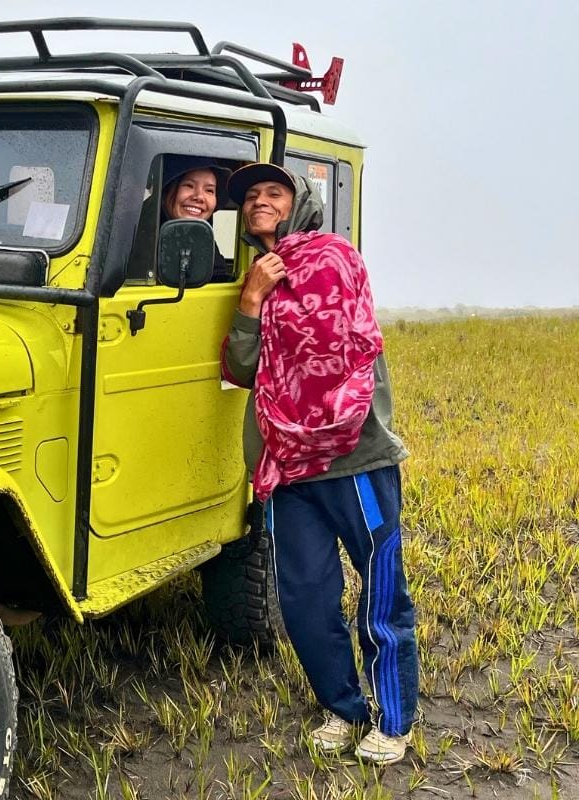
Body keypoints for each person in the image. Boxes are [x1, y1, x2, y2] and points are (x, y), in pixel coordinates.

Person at [220, 162, 419, 765]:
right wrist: (252, 299)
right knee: (305, 598)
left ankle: (394, 719)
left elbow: (344, 349)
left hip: (352, 455)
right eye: (251, 196)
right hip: (286, 464)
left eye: (273, 192)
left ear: (300, 202)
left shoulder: (334, 258)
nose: (259, 201)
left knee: (380, 591)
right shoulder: (257, 278)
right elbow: (241, 369)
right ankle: (343, 707)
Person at [160, 159, 233, 280]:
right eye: (189, 185)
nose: (199, 197)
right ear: (165, 193)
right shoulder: (140, 240)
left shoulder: (206, 244)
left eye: (209, 190)